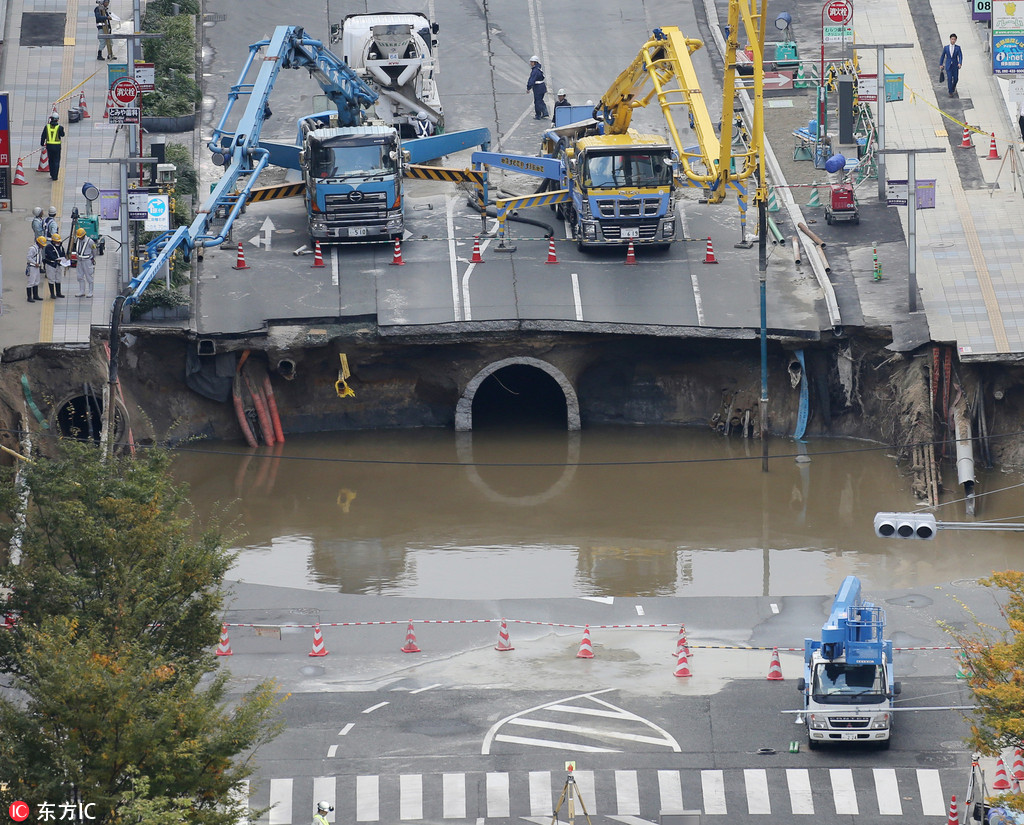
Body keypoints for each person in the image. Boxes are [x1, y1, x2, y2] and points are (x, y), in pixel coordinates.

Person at [73, 227, 98, 298]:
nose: (80, 238)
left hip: (87, 260)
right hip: (79, 260)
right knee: (80, 276)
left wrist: (93, 258)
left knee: (89, 276)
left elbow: (94, 250)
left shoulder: (90, 241)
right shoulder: (77, 240)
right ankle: (82, 291)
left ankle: (90, 291)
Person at [40, 114, 65, 182]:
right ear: (57, 119)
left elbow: (43, 136)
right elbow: (62, 135)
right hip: (57, 147)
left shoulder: (47, 127)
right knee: (56, 161)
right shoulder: (60, 127)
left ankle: (51, 174)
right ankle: (55, 176)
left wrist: (42, 144)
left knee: (50, 160)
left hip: (49, 146)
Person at [44, 233, 67, 299]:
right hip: (51, 264)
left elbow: (63, 254)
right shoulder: (49, 247)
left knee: (58, 278)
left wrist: (64, 259)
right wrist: (56, 259)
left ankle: (58, 293)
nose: (58, 242)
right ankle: (52, 294)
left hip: (58, 265)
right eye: (57, 241)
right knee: (51, 279)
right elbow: (50, 255)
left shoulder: (61, 247)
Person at [526, 56, 548, 120]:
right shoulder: (539, 68)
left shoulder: (535, 71)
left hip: (538, 88)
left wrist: (528, 87)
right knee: (540, 100)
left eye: (532, 62)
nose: (530, 63)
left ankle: (538, 115)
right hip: (542, 87)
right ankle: (545, 112)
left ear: (535, 62)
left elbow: (532, 80)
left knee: (537, 101)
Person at [25, 237, 45, 303]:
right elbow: (28, 257)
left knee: (37, 281)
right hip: (32, 267)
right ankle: (29, 297)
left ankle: (35, 295)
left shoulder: (39, 249)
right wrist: (34, 263)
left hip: (37, 267)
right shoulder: (32, 249)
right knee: (31, 282)